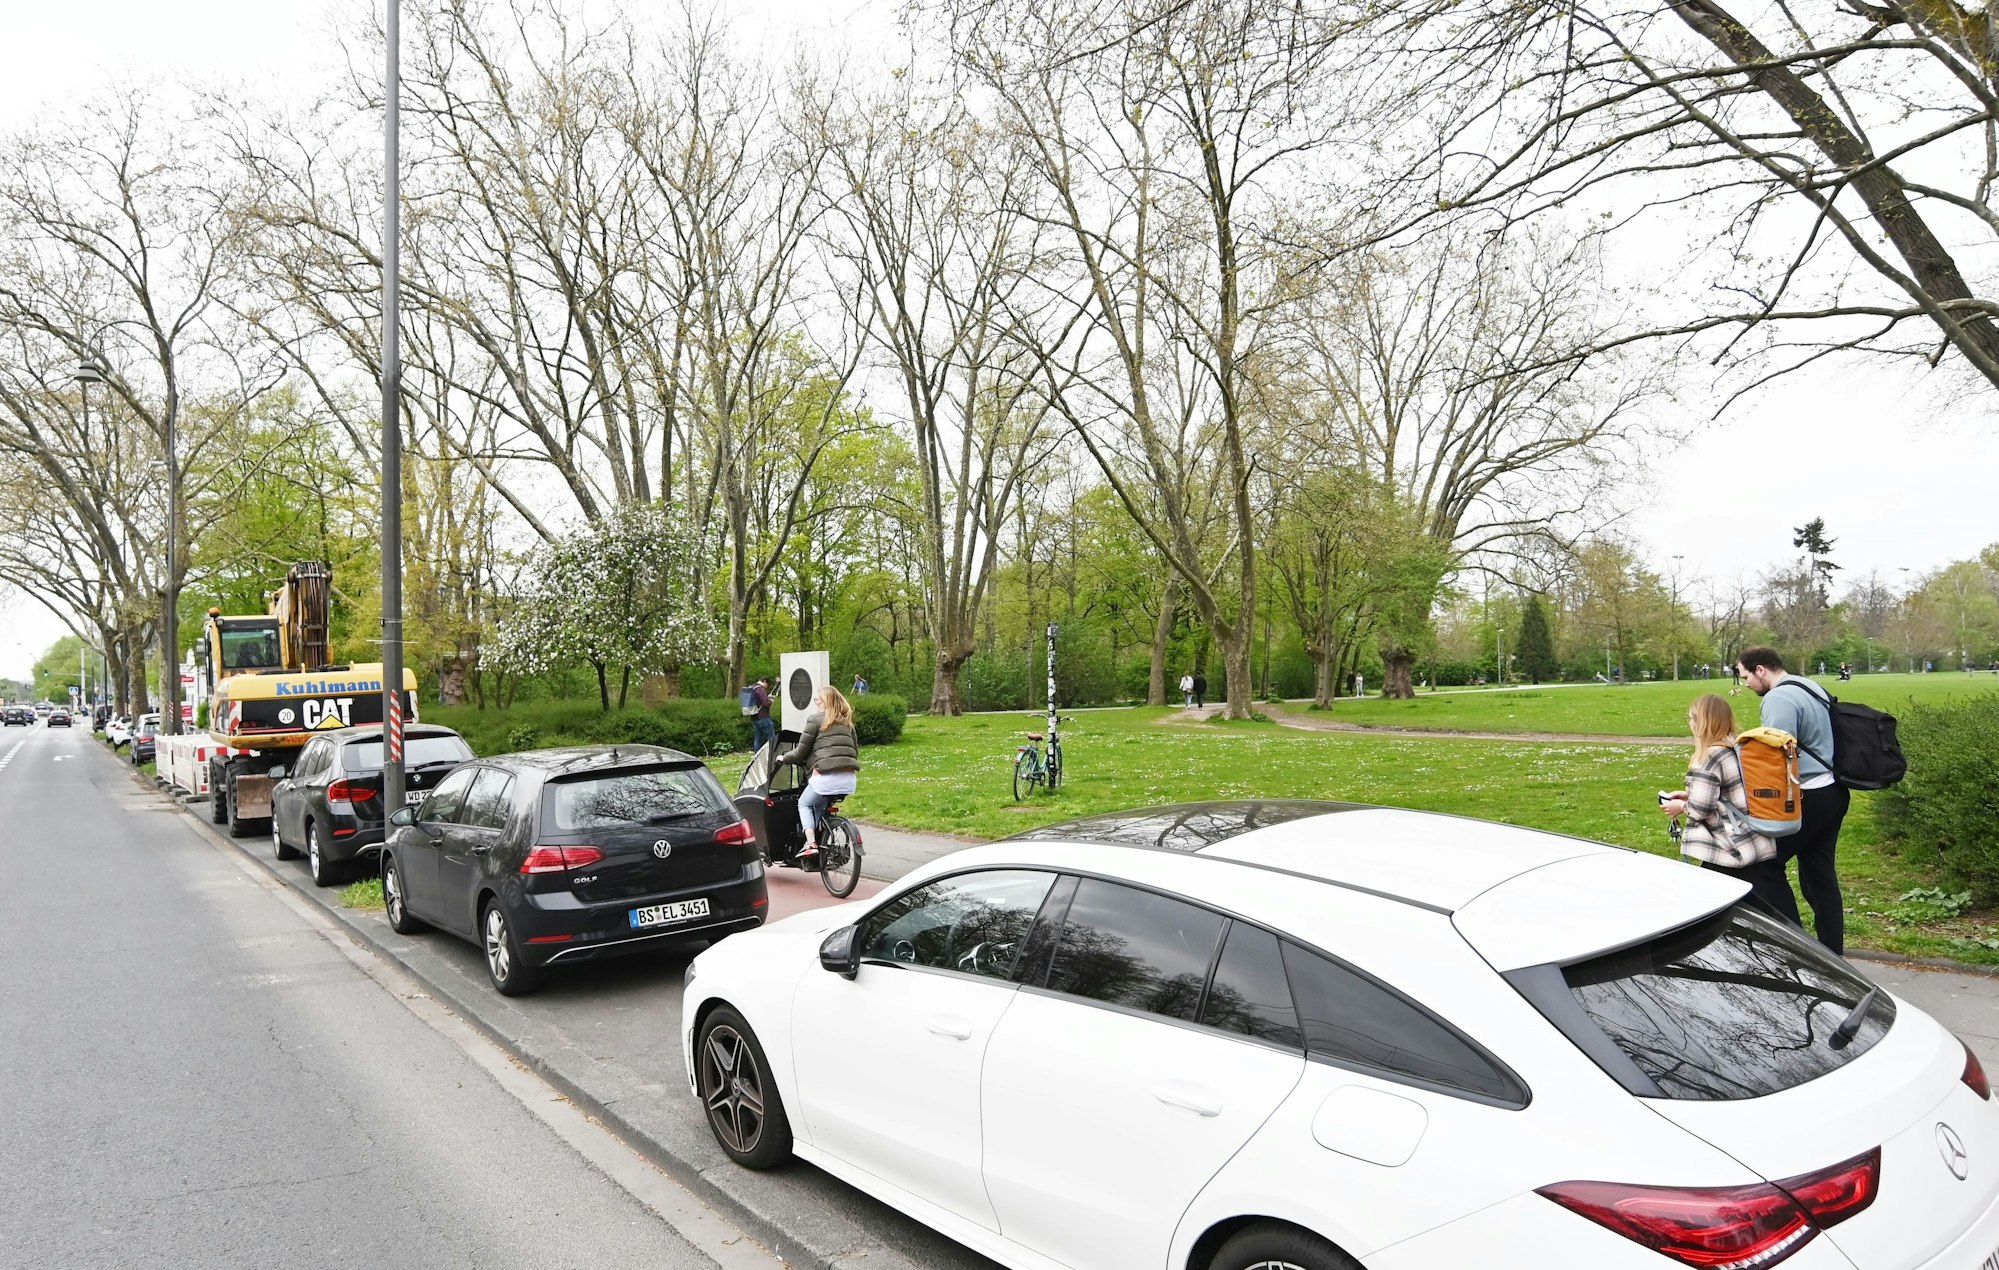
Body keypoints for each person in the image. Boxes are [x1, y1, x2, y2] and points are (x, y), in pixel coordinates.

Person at [1737, 645, 1849, 954]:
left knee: (1765, 865)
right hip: (1833, 791)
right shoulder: (1809, 685)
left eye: (1745, 676)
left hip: (1809, 795)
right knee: (1819, 875)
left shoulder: (1779, 698)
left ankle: (1796, 946)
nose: (1745, 684)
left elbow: (1774, 757)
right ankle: (1832, 953)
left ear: (1761, 669)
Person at [1659, 694, 1781, 894]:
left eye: (1691, 718)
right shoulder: (1735, 747)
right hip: (1754, 836)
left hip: (1730, 846)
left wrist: (1680, 806)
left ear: (1702, 722)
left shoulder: (1708, 758)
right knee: (1769, 893)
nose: (1689, 723)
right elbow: (1725, 793)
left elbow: (1700, 810)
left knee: (1716, 896)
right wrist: (1688, 796)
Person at [777, 685, 861, 858]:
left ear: (825, 702)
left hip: (825, 778)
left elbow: (800, 752)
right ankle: (822, 837)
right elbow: (854, 751)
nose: (816, 703)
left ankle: (811, 844)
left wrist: (783, 758)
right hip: (848, 778)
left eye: (818, 700)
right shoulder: (848, 724)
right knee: (819, 804)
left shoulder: (815, 720)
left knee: (804, 803)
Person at [748, 676, 775, 756]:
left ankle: (757, 755)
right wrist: (771, 701)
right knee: (771, 737)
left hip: (754, 717)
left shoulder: (752, 687)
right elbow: (765, 703)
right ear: (765, 682)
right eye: (767, 685)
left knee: (757, 737)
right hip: (763, 717)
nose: (767, 687)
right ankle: (773, 753)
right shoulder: (761, 689)